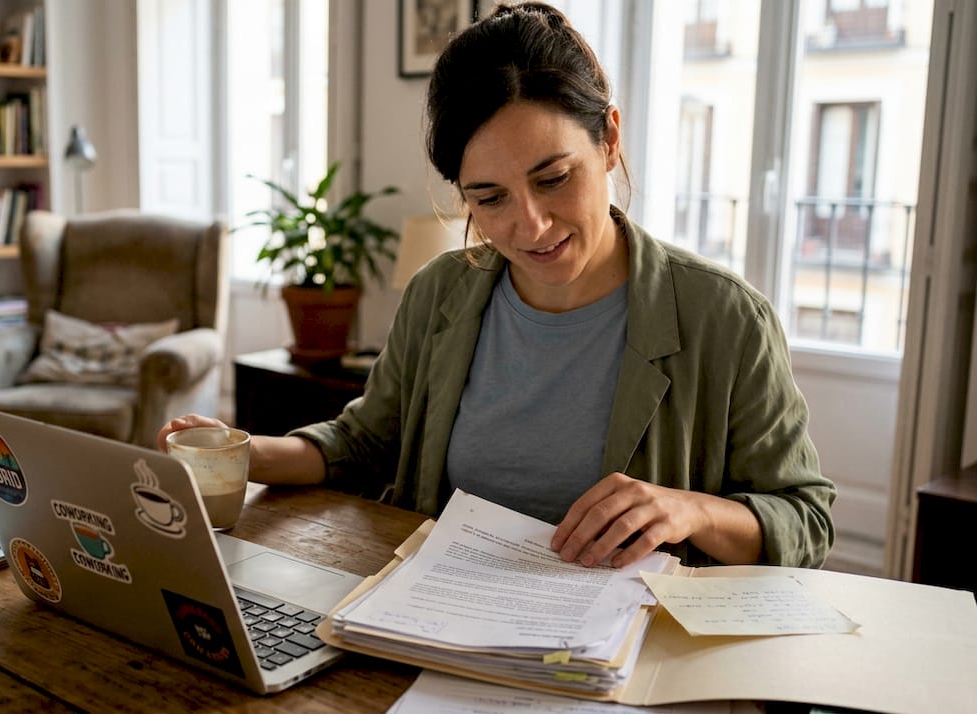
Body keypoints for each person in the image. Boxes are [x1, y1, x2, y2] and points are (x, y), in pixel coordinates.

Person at [160, 2, 835, 569]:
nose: (530, 225)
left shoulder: (725, 318)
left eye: (553, 178)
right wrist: (239, 453)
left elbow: (804, 519)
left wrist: (688, 510)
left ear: (609, 141)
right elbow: (366, 442)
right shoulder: (439, 295)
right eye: (489, 199)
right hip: (437, 623)